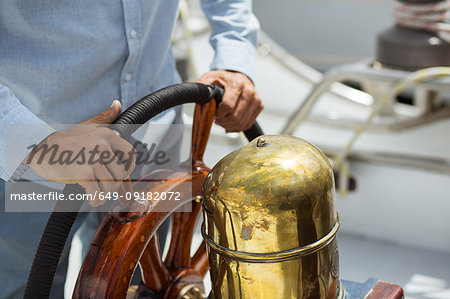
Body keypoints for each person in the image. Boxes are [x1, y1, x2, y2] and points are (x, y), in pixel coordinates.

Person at [0, 0, 263, 298]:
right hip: (35, 163)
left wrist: (234, 61)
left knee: (134, 283)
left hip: (157, 137)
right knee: (23, 288)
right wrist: (38, 145)